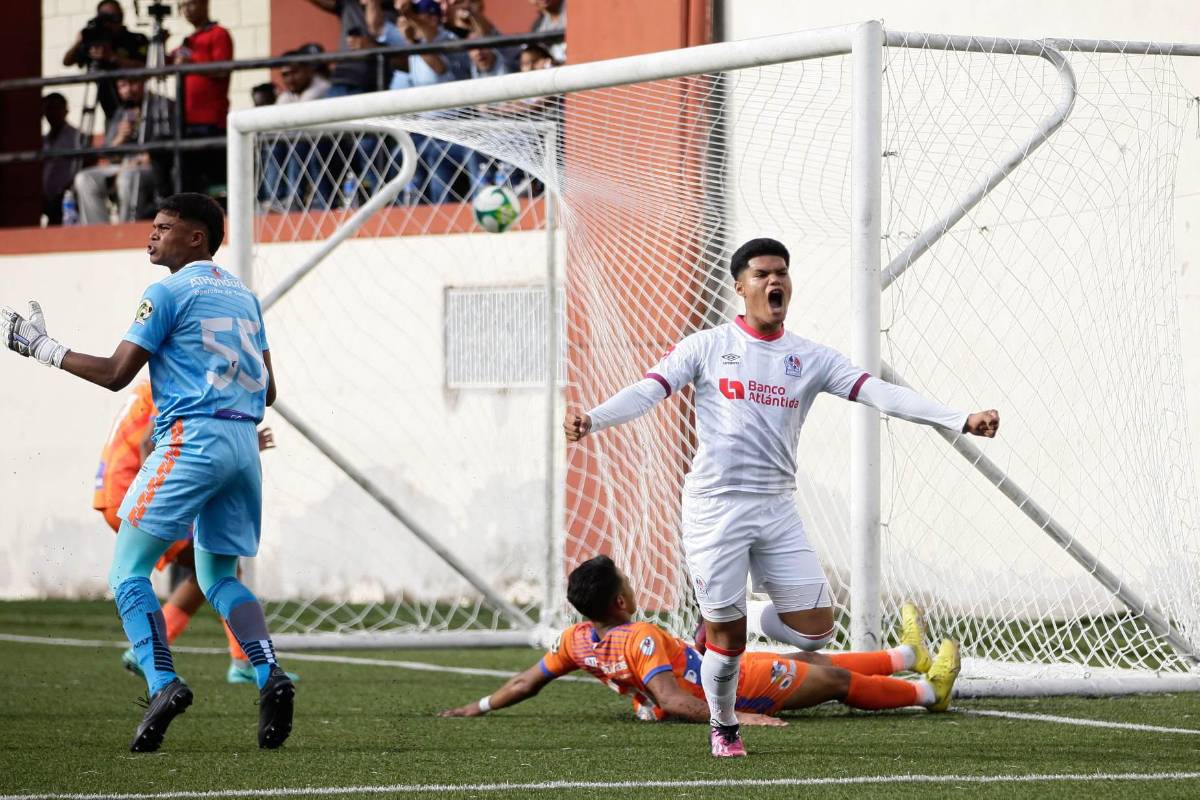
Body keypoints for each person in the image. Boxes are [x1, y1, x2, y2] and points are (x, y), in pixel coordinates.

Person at [563, 237, 999, 757]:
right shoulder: (706, 346)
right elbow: (648, 390)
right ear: (740, 286)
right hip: (715, 509)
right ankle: (725, 727)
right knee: (728, 645)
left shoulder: (809, 357)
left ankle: (734, 614)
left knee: (816, 632)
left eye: (782, 273)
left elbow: (878, 392)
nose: (775, 281)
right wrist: (593, 420)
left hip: (776, 506)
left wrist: (958, 418)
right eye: (763, 274)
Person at [1, 193, 294, 753]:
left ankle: (162, 683)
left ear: (196, 238)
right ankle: (269, 672)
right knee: (219, 576)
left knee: (127, 570)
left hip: (193, 439)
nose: (151, 235)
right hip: (243, 444)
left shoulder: (166, 292)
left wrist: (41, 347)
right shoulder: (246, 298)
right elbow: (270, 391)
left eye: (163, 227)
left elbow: (117, 373)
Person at [441, 555, 960, 727]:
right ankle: (928, 693)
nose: (633, 585)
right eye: (627, 582)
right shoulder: (641, 637)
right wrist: (737, 718)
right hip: (732, 688)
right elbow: (670, 698)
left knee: (807, 657)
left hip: (713, 670)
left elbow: (526, 682)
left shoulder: (576, 640)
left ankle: (906, 656)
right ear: (620, 601)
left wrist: (478, 705)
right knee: (833, 680)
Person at [93, 379, 289, 685]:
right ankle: (231, 661)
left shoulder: (151, 385)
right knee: (217, 570)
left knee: (207, 570)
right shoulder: (173, 381)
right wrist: (163, 503)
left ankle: (235, 660)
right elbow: (148, 443)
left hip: (115, 490)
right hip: (134, 491)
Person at [377, 0, 473, 203]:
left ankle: (441, 209)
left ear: (434, 18)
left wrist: (410, 22)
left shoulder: (447, 38)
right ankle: (410, 208)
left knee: (435, 154)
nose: (413, 22)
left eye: (419, 16)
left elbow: (439, 67)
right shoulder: (416, 44)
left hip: (456, 127)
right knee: (399, 155)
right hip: (427, 129)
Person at [72, 78, 170, 224]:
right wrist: (120, 137)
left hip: (151, 166)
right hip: (122, 165)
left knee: (127, 177)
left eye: (133, 83)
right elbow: (108, 153)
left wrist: (147, 157)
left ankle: (126, 227)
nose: (128, 90)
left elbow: (168, 143)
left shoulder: (162, 105)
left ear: (143, 82)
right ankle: (98, 230)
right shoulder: (121, 112)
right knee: (84, 179)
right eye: (122, 86)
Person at [171, 0, 233, 195]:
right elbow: (166, 61)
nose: (186, 10)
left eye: (191, 3)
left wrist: (191, 63)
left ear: (204, 4)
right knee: (189, 179)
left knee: (215, 180)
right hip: (186, 120)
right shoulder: (188, 40)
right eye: (182, 5)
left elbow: (222, 69)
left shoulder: (219, 33)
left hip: (211, 120)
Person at [261, 54, 336, 211]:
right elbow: (274, 125)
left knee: (297, 144)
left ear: (308, 70)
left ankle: (294, 199)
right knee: (274, 146)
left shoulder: (320, 88)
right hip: (301, 141)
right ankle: (275, 199)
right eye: (285, 75)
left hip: (331, 145)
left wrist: (284, 128)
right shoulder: (288, 95)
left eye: (295, 72)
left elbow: (297, 123)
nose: (290, 79)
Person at [62, 1, 150, 125]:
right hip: (108, 106)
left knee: (134, 129)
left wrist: (112, 57)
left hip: (136, 104)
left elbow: (147, 67)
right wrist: (79, 42)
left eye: (116, 16)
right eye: (106, 16)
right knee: (115, 134)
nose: (112, 20)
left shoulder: (135, 39)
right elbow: (67, 62)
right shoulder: (94, 39)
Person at [42, 93, 81, 226]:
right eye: (49, 108)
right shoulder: (43, 140)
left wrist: (67, 189)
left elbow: (85, 164)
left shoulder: (76, 136)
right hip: (46, 198)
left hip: (67, 199)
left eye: (56, 108)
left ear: (65, 111)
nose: (52, 113)